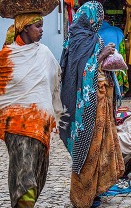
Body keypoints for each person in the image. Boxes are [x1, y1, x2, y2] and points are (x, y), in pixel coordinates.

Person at [59, 1, 125, 208]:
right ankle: (81, 197)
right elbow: (77, 72)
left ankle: (96, 190)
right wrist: (101, 55)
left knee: (101, 146)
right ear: (90, 18)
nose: (99, 20)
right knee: (86, 149)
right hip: (85, 107)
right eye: (98, 16)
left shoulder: (94, 37)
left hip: (101, 101)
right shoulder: (77, 39)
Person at [0, 10, 62, 207]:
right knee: (23, 176)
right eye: (38, 26)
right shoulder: (6, 56)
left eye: (42, 25)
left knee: (37, 174)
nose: (42, 30)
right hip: (16, 126)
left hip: (40, 125)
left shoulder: (44, 53)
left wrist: (57, 113)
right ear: (25, 28)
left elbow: (55, 81)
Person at [98, 19, 129, 95]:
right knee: (120, 65)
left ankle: (114, 92)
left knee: (110, 67)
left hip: (108, 47)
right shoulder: (116, 29)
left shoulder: (99, 31)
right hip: (120, 41)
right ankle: (121, 90)